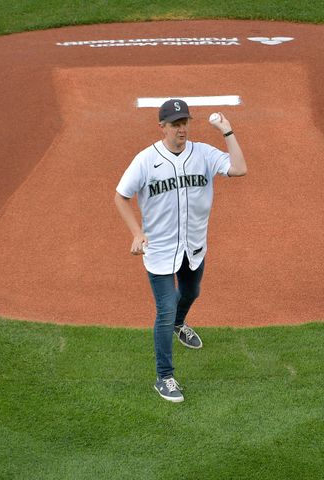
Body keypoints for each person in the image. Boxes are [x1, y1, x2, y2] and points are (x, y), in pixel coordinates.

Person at [114, 98, 247, 402]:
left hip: (194, 245)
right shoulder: (145, 160)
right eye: (175, 124)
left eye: (184, 122)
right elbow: (121, 196)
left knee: (191, 292)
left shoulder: (203, 154)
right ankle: (165, 376)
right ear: (162, 127)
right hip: (159, 250)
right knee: (164, 309)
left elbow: (239, 168)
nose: (181, 129)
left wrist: (228, 132)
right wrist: (137, 233)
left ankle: (179, 324)